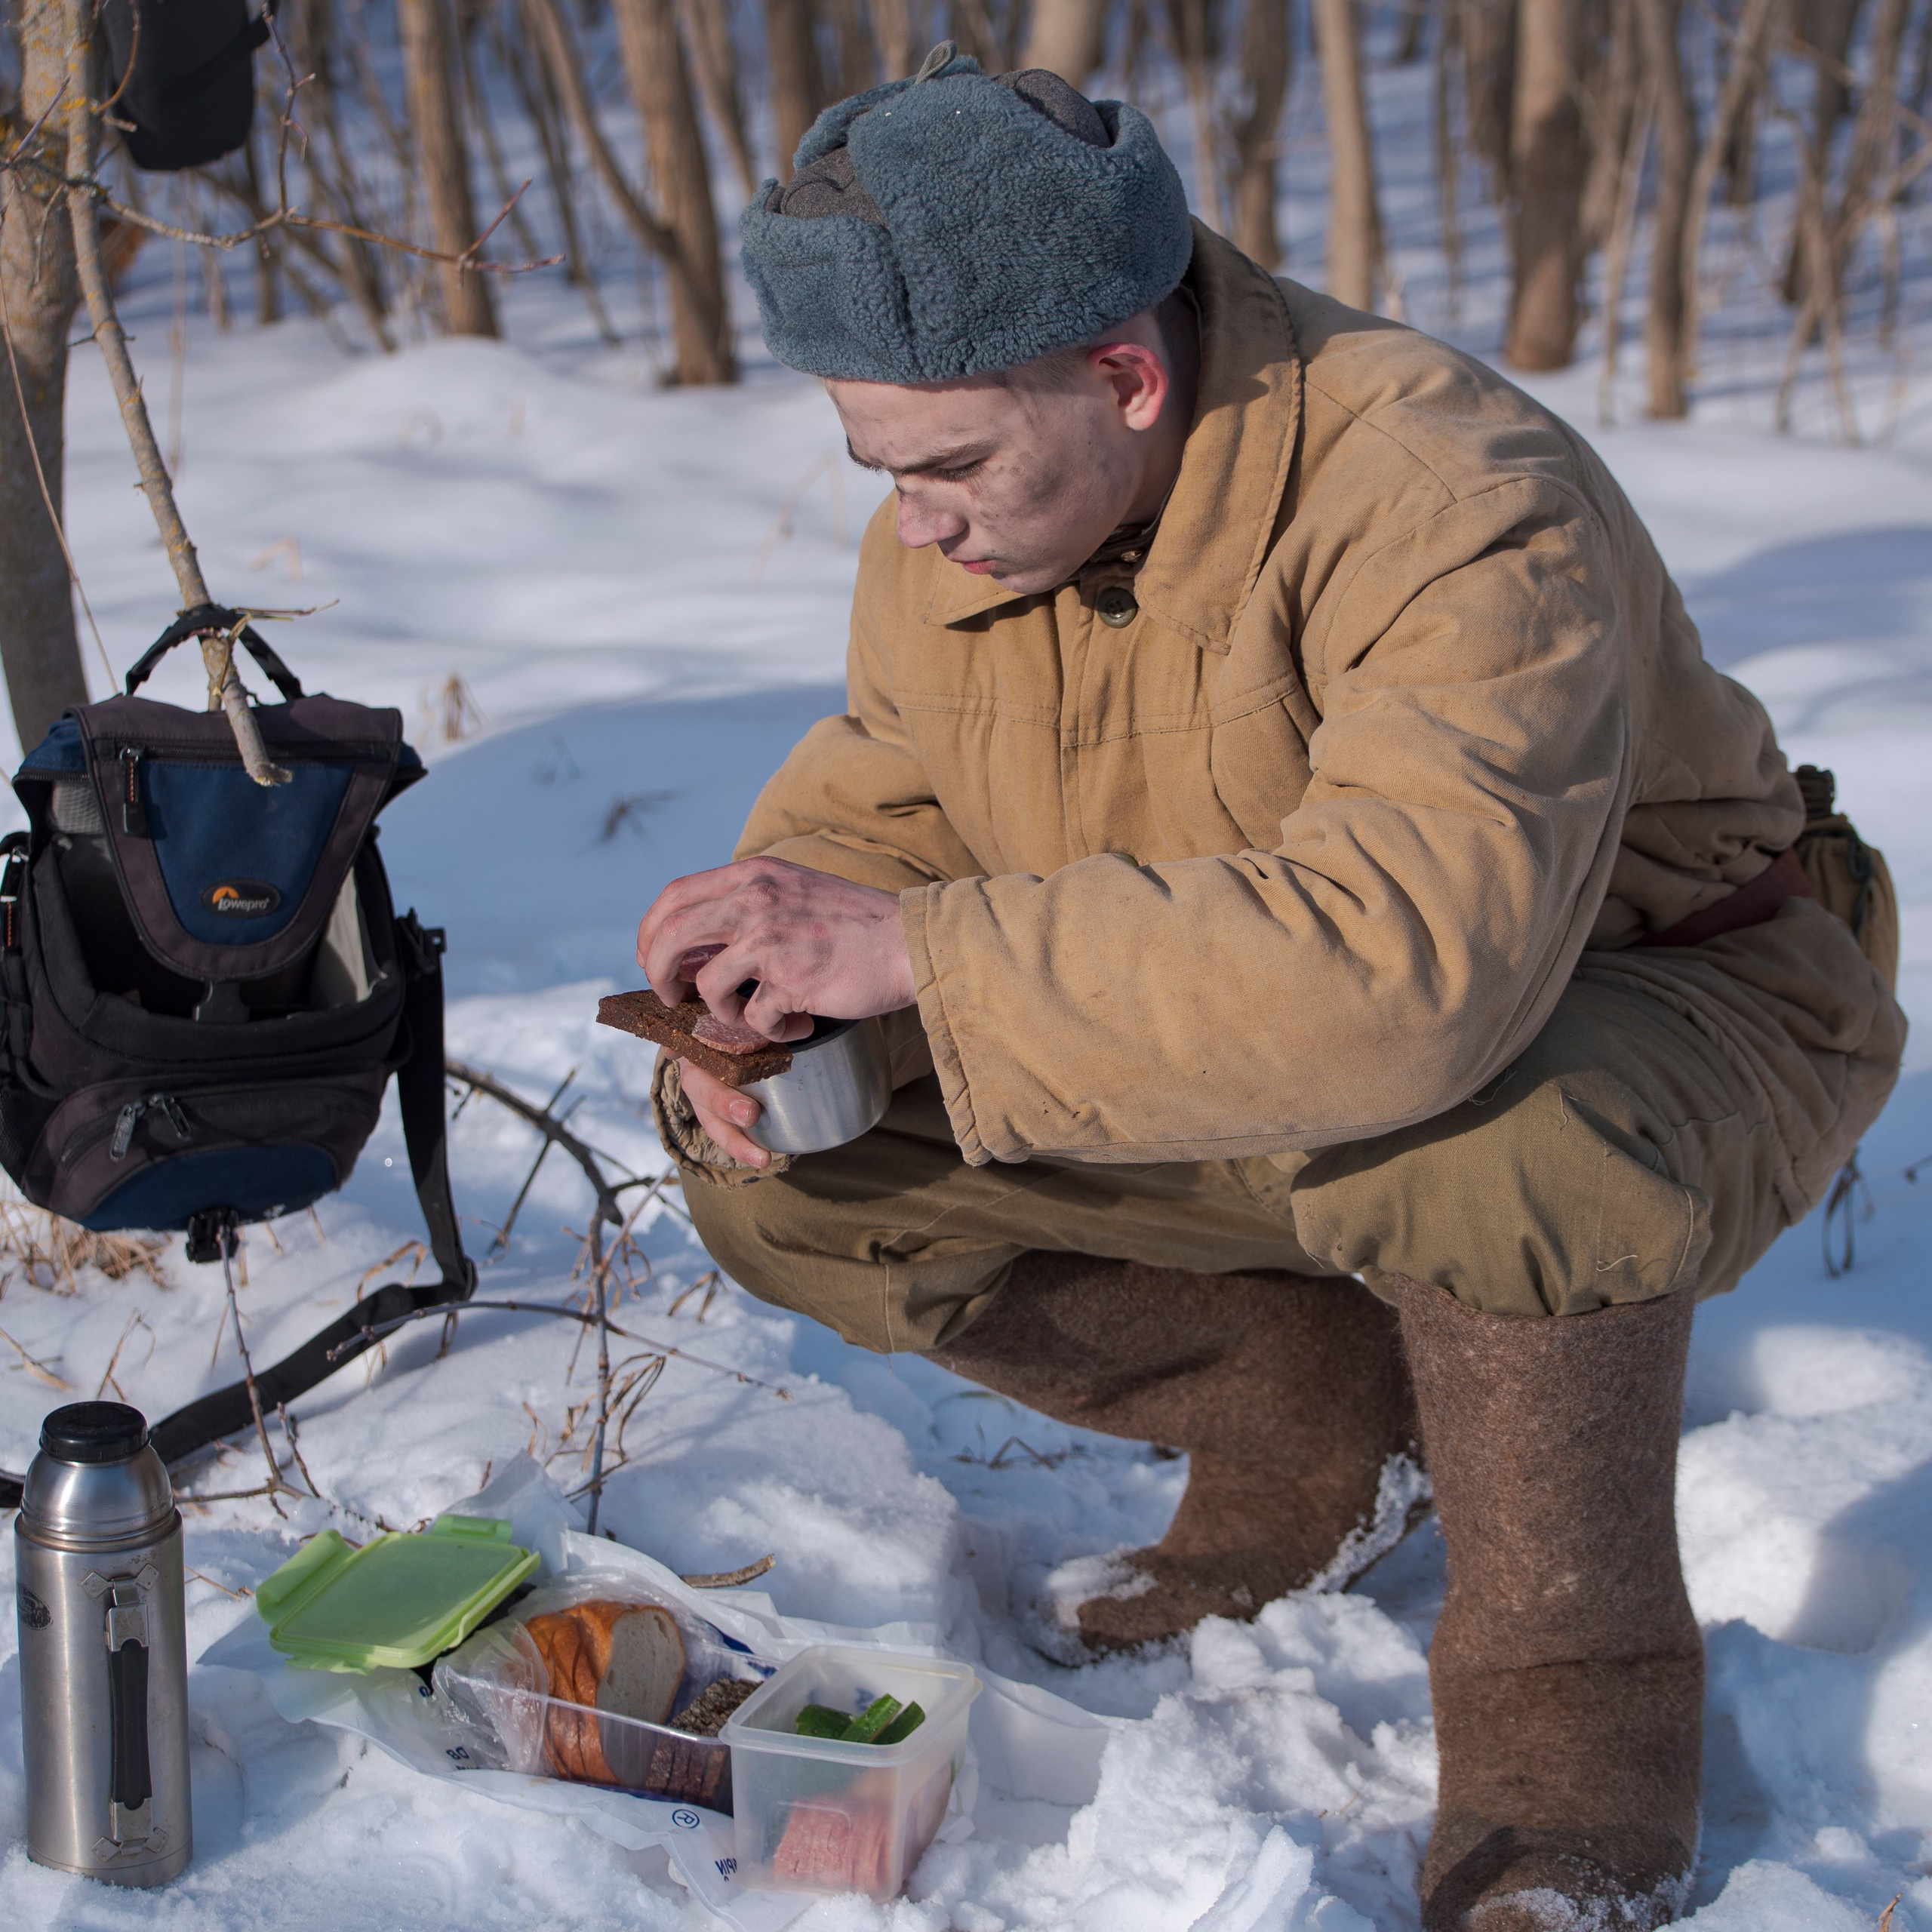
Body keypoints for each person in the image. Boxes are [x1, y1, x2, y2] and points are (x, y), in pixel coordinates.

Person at [632, 47, 1904, 1932]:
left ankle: (1571, 1775)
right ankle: (1320, 1422)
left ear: (1124, 376)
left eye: (948, 465)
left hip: (1663, 1006)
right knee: (794, 1167)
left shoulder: (1446, 493)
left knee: (1484, 1153)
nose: (914, 525)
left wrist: (926, 958)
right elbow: (893, 798)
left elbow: (1410, 978)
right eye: (875, 467)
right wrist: (762, 1001)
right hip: (1284, 1054)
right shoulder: (977, 499)